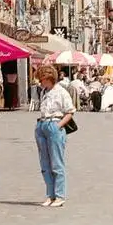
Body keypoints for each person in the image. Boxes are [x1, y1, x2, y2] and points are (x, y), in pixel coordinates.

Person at [35, 65, 76, 207]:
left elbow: (70, 112)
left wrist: (58, 126)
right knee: (44, 163)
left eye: (41, 79)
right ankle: (50, 195)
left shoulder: (61, 92)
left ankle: (59, 195)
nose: (40, 82)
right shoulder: (43, 92)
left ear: (48, 78)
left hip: (54, 123)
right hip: (42, 124)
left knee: (57, 162)